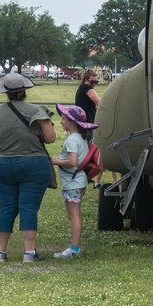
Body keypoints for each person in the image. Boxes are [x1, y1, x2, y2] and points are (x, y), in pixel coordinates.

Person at [0, 70, 56, 263]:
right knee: (28, 207)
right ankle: (29, 252)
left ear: (5, 92)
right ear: (24, 90)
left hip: (2, 164)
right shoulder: (37, 111)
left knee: (6, 207)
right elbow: (50, 138)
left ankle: (0, 252)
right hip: (33, 163)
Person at [50, 104, 97, 258]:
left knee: (74, 215)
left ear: (72, 122)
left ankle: (74, 249)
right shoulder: (81, 138)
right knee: (75, 214)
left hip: (73, 182)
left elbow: (72, 161)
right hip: (79, 180)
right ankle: (74, 248)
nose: (61, 122)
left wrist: (56, 161)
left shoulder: (71, 139)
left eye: (63, 119)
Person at [75, 69, 110, 188]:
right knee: (88, 150)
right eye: (92, 82)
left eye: (96, 82)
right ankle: (84, 175)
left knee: (84, 149)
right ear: (86, 80)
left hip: (81, 123)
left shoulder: (81, 89)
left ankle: (83, 175)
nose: (94, 85)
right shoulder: (87, 89)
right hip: (88, 123)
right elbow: (100, 103)